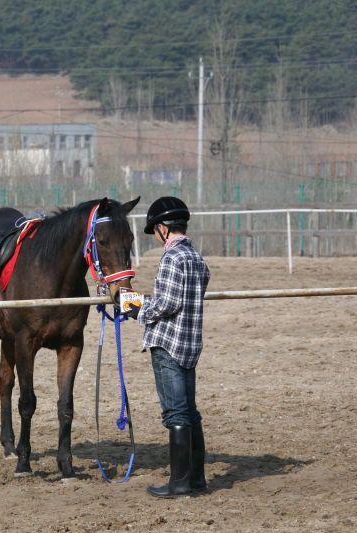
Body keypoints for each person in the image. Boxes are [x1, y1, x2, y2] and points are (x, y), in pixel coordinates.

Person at [133, 196, 211, 498]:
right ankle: (196, 479)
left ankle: (179, 483)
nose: (155, 235)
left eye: (155, 229)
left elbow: (167, 303)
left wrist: (137, 309)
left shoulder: (171, 258)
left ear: (163, 228)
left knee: (176, 414)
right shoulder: (195, 257)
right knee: (190, 412)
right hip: (190, 343)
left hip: (167, 344)